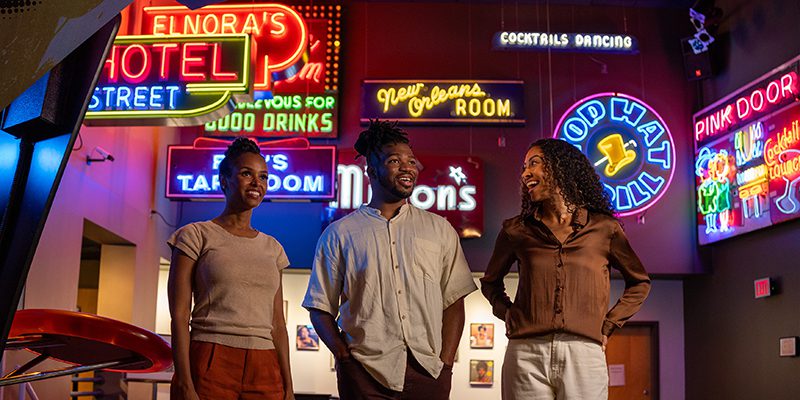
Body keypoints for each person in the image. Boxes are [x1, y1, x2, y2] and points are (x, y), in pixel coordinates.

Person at [303, 120, 477, 399]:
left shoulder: (439, 229)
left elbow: (454, 300)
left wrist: (445, 364)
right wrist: (345, 358)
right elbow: (320, 307)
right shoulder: (340, 233)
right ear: (371, 169)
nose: (407, 167)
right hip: (365, 374)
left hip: (428, 374)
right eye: (395, 160)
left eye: (411, 161)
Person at [480, 138, 651, 400]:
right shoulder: (515, 230)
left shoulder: (604, 228)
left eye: (534, 164)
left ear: (560, 168)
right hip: (525, 353)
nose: (525, 173)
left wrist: (607, 325)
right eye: (524, 166)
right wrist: (509, 315)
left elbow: (639, 282)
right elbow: (490, 282)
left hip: (584, 352)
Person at [167, 137, 294, 400]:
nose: (257, 183)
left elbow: (278, 324)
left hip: (266, 365)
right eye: (247, 174)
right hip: (210, 357)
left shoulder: (274, 248)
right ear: (224, 181)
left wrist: (289, 387)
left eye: (263, 176)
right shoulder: (195, 235)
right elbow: (180, 315)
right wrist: (184, 382)